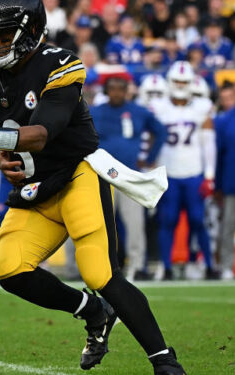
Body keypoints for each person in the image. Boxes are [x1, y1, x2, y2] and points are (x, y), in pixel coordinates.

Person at [0, 0, 185, 373]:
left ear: (31, 30)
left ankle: (164, 361)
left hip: (76, 174)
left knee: (100, 274)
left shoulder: (60, 63)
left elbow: (41, 133)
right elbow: (1, 126)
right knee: (10, 268)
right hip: (36, 188)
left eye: (2, 34)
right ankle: (94, 312)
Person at [91, 77, 167, 280]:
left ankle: (137, 264)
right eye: (112, 89)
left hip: (129, 175)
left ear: (127, 91)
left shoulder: (138, 111)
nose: (116, 93)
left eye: (120, 89)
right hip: (101, 175)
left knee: (134, 223)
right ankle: (98, 265)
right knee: (98, 224)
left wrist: (149, 159)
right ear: (106, 91)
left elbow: (160, 131)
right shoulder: (95, 111)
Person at [150, 61, 219, 281]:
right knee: (167, 220)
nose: (180, 85)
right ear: (170, 82)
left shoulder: (202, 106)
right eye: (177, 81)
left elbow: (208, 143)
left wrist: (209, 175)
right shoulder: (158, 106)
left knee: (198, 220)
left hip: (193, 172)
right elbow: (150, 138)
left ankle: (208, 265)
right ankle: (167, 266)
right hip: (168, 172)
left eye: (184, 82)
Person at [215, 88, 235, 280]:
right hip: (232, 181)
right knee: (228, 226)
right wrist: (218, 183)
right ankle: (227, 266)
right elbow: (219, 155)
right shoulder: (225, 120)